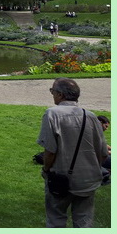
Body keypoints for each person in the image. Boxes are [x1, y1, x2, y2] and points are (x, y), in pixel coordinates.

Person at [37, 77, 108, 228]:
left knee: (56, 219)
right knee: (84, 221)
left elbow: (50, 152)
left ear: (60, 95)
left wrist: (46, 170)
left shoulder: (52, 114)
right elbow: (102, 153)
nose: (52, 94)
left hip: (60, 179)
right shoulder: (90, 116)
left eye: (52, 91)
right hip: (88, 179)